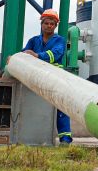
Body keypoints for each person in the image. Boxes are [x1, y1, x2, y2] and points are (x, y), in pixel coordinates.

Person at [22, 8, 72, 144]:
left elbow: (56, 54)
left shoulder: (60, 41)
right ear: (41, 24)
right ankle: (34, 136)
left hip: (55, 78)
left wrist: (37, 55)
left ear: (55, 26)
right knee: (35, 106)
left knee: (61, 107)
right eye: (46, 23)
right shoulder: (33, 40)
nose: (49, 26)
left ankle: (65, 138)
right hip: (37, 79)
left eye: (52, 24)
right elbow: (24, 53)